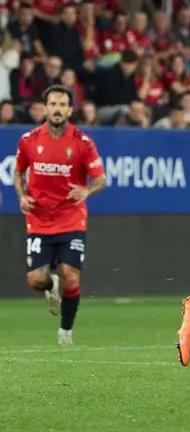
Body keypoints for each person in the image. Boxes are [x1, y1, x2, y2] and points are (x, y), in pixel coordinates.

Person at [13, 85, 106, 345]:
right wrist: (22, 195)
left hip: (71, 218)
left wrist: (87, 190)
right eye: (53, 104)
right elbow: (18, 173)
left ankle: (66, 330)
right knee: (35, 279)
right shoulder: (29, 141)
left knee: (70, 274)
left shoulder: (82, 143)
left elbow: (101, 179)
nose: (57, 109)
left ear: (69, 109)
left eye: (62, 104)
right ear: (45, 108)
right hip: (39, 220)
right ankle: (49, 286)